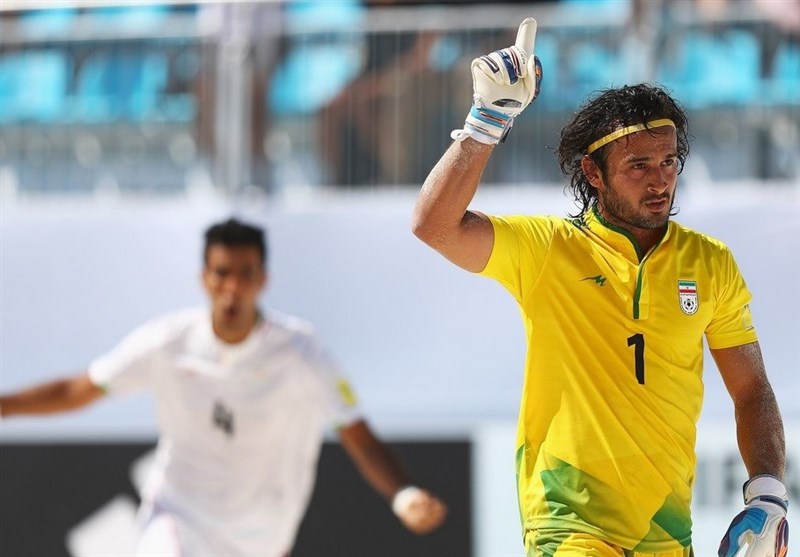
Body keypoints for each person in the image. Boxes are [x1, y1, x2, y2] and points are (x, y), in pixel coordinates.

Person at [411, 17, 787, 557]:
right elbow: (434, 226)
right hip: (567, 520)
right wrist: (485, 122)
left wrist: (769, 494)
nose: (659, 179)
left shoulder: (710, 263)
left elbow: (752, 389)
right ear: (593, 172)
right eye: (638, 165)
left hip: (665, 527)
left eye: (668, 161)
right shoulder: (547, 248)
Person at [0, 218, 447, 557]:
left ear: (263, 279)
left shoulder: (301, 353)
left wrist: (404, 494)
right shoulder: (167, 342)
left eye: (244, 273)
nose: (232, 288)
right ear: (204, 278)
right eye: (221, 273)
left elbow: (358, 436)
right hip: (177, 518)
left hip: (261, 540)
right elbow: (80, 389)